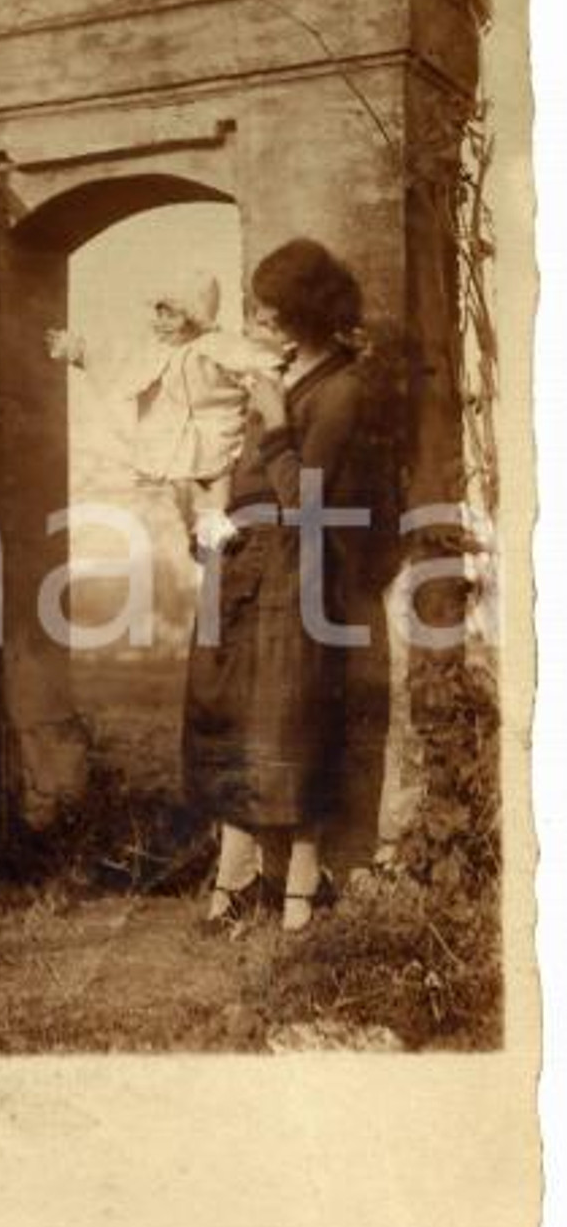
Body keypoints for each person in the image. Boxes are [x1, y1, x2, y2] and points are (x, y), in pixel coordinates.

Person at [183, 238, 385, 933]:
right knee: (234, 721)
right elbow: (241, 478)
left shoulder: (343, 390)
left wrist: (271, 425)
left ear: (304, 314)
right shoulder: (285, 377)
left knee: (291, 731)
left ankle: (298, 894)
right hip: (246, 571)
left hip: (300, 576)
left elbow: (306, 502)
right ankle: (235, 882)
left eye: (271, 314)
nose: (261, 325)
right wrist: (209, 523)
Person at [47, 269, 283, 550]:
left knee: (217, 481)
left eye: (171, 315)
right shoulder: (155, 350)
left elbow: (257, 365)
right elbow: (117, 361)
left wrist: (261, 379)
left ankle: (217, 527)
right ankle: (201, 534)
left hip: (213, 431)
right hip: (172, 438)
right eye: (159, 314)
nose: (161, 323)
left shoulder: (219, 347)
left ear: (196, 316)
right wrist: (79, 351)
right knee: (180, 490)